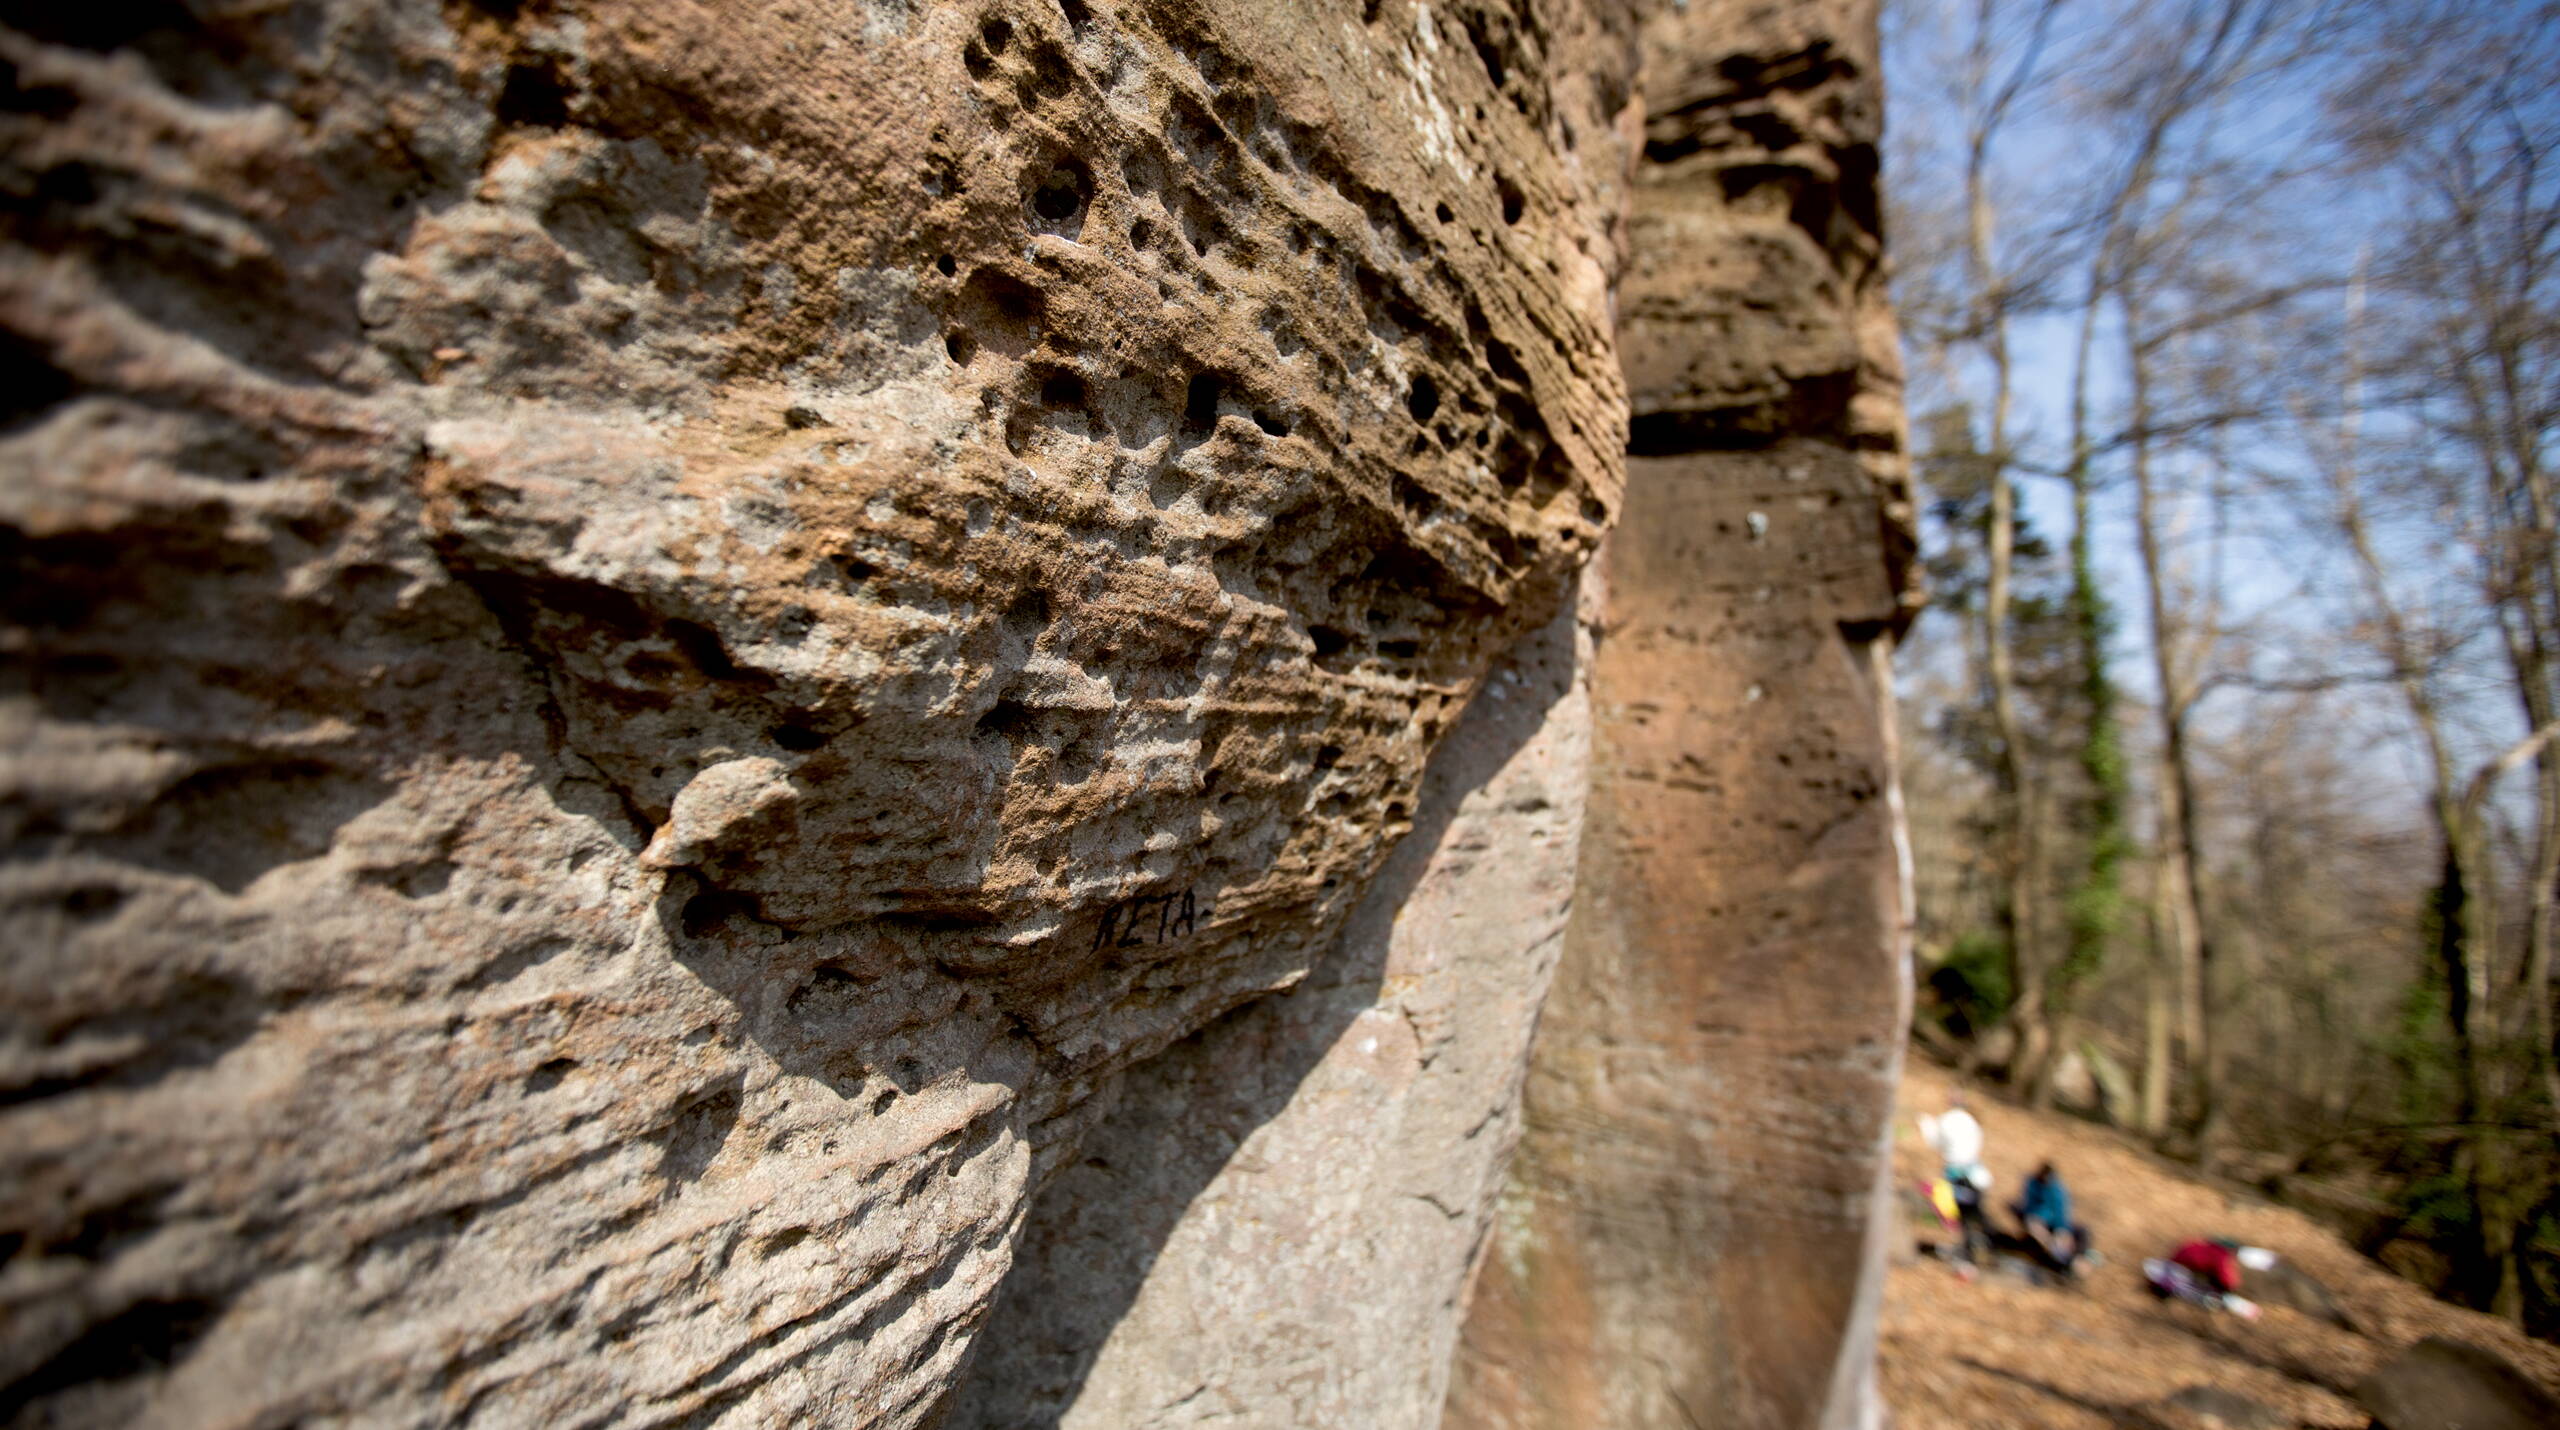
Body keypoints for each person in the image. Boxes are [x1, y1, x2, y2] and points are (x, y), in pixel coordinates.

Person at [1920, 1091, 1992, 1268]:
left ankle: (1973, 1253)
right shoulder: (1972, 1121)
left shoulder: (1948, 1120)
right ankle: (1980, 1248)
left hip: (1960, 1177)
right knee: (1974, 1217)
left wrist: (1925, 1124)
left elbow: (1934, 1142)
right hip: (1977, 1176)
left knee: (1962, 1216)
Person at [2012, 1161, 2090, 1274]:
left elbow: (2060, 1211)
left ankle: (2070, 1260)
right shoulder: (2032, 1183)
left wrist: (2062, 1229)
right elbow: (2030, 1206)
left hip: (2053, 1224)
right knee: (2035, 1227)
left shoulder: (2057, 1189)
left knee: (2078, 1233)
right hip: (2036, 1220)